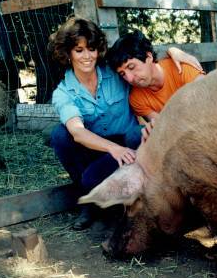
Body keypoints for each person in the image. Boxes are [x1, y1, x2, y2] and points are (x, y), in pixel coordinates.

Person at [48, 17, 202, 230]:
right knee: (59, 136)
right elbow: (78, 132)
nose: (87, 56)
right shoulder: (62, 93)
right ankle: (88, 199)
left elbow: (140, 58)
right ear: (68, 53)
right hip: (94, 147)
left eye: (92, 49)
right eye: (79, 50)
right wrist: (113, 148)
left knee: (138, 133)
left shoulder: (115, 72)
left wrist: (174, 50)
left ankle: (147, 200)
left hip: (129, 144)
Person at [106, 31, 205, 142]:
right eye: (123, 74)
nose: (129, 79)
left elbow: (209, 105)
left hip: (207, 127)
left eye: (131, 67)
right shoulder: (136, 98)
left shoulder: (182, 68)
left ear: (149, 57)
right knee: (135, 135)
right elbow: (164, 128)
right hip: (181, 138)